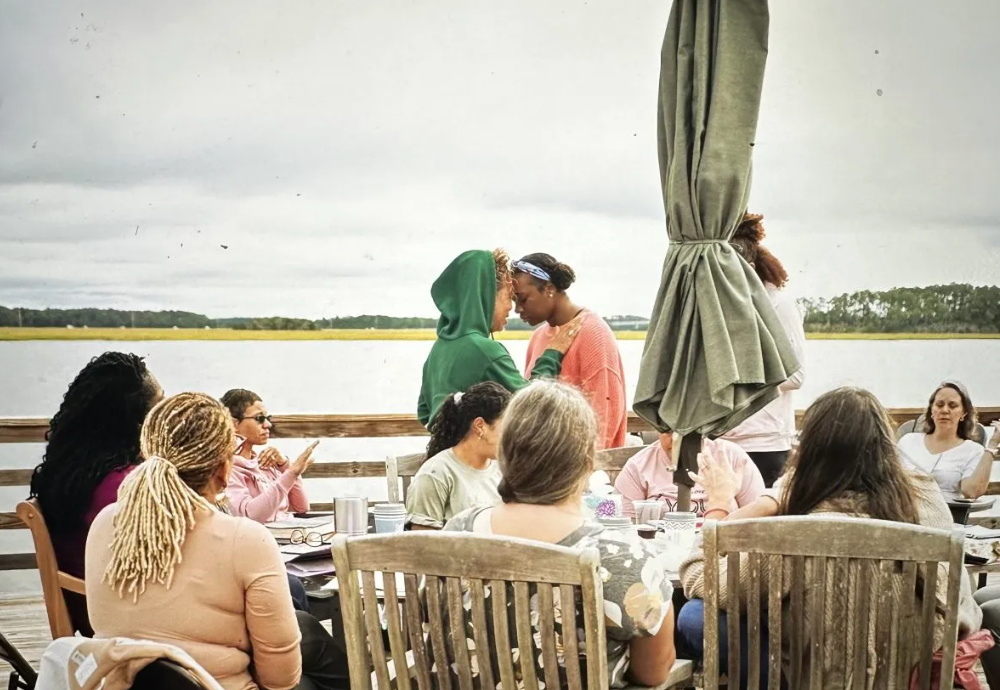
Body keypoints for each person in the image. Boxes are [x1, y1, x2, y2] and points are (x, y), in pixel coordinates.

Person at [676, 387, 982, 688]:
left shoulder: (791, 534)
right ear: (888, 449)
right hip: (908, 676)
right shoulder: (927, 507)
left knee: (695, 614)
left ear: (809, 452)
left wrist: (718, 507)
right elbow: (963, 611)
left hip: (806, 677)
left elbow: (699, 576)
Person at [86, 392, 347, 690]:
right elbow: (279, 681)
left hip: (124, 681)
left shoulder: (106, 522)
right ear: (224, 470)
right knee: (314, 661)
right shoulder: (245, 539)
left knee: (306, 628)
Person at [444, 381, 677, 688]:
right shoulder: (622, 556)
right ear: (587, 462)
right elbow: (653, 673)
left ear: (504, 452)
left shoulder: (457, 534)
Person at [28, 352, 163, 636]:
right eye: (159, 405)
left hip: (85, 607)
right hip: (120, 618)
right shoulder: (123, 485)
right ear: (136, 421)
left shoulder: (69, 471)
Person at [416, 249, 583, 427]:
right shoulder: (485, 350)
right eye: (508, 296)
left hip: (443, 453)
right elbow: (534, 403)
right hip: (473, 455)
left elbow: (424, 413)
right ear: (487, 296)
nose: (511, 308)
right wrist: (553, 352)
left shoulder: (438, 350)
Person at [722, 213, 806, 487]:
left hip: (764, 444)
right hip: (720, 440)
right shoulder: (721, 307)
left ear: (747, 265)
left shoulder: (779, 305)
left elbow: (795, 375)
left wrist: (735, 379)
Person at [512, 253, 627, 449]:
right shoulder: (538, 337)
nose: (517, 309)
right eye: (514, 301)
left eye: (523, 299)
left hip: (583, 469)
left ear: (549, 289)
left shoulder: (594, 333)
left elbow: (605, 417)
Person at [407, 382, 510, 530]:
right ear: (480, 426)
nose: (511, 436)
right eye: (506, 427)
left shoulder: (504, 470)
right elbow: (423, 544)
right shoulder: (435, 474)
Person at [614, 433, 764, 518]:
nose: (676, 439)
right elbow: (625, 526)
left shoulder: (730, 457)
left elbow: (759, 518)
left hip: (725, 554)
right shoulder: (639, 466)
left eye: (687, 432)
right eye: (668, 430)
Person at [221, 389, 316, 523]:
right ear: (234, 424)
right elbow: (250, 516)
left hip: (288, 535)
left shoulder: (265, 461)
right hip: (264, 540)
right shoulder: (229, 468)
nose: (268, 425)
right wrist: (291, 473)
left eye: (267, 418)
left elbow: (301, 507)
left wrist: (284, 465)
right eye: (259, 418)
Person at [897, 381, 999, 500]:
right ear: (931, 411)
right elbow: (887, 480)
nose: (945, 410)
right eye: (939, 405)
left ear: (964, 413)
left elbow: (971, 492)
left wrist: (993, 444)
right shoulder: (908, 441)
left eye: (953, 405)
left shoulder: (972, 450)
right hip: (903, 511)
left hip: (947, 514)